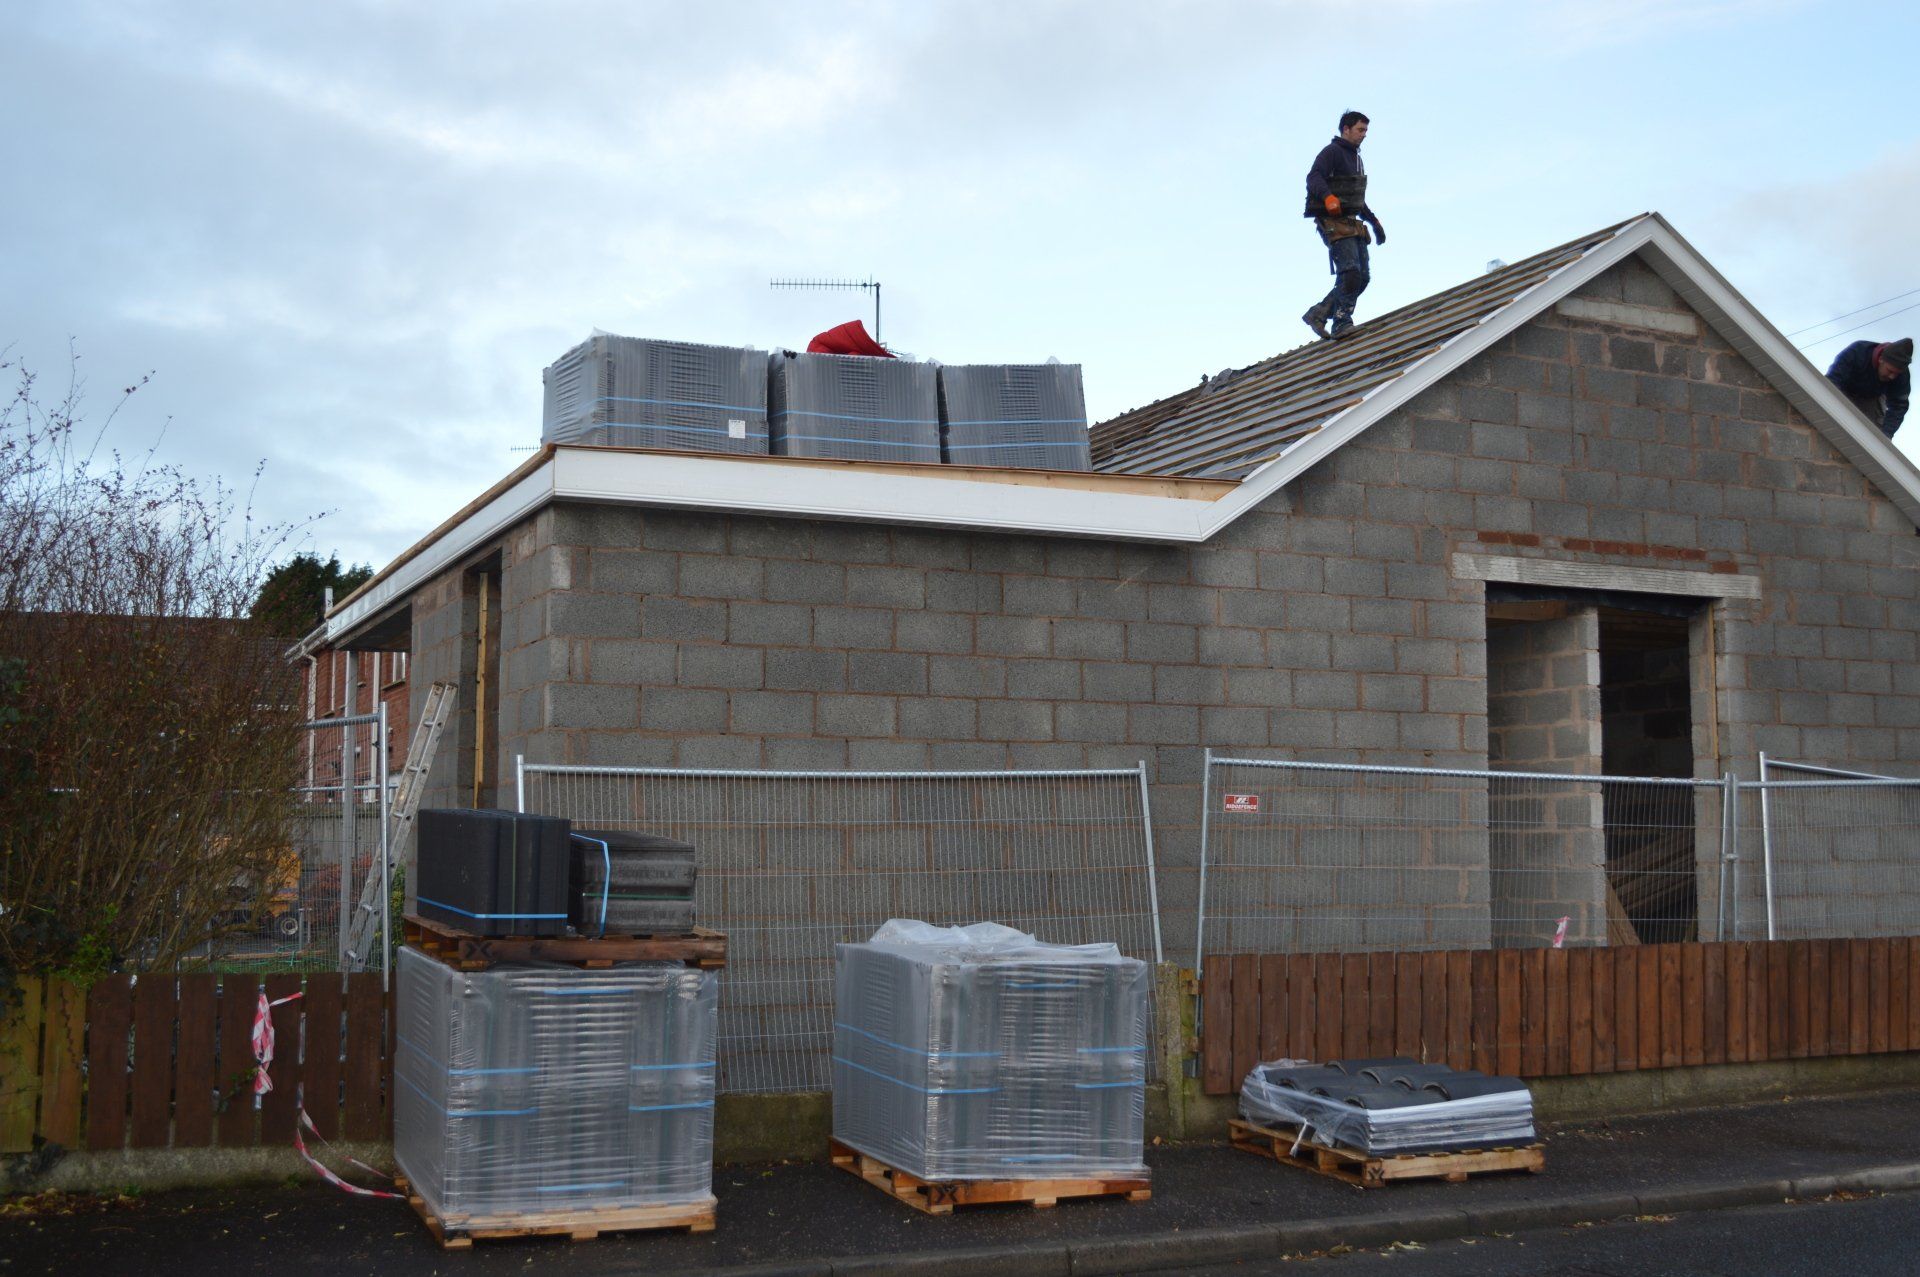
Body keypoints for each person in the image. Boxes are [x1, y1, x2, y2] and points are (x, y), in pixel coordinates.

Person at [1301, 111, 1386, 340]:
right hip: (1333, 221)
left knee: (1363, 277)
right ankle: (1341, 323)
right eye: (1360, 129)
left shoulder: (1356, 159)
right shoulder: (1333, 152)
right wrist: (1328, 197)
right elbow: (1314, 177)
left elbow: (1355, 197)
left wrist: (1374, 221)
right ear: (1346, 129)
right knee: (1350, 271)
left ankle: (1319, 313)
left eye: (1366, 130)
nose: (1364, 135)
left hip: (1351, 221)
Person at [1825, 338, 1911, 439]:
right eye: (1890, 371)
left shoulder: (1902, 376)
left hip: (1873, 399)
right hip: (1843, 390)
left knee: (1874, 436)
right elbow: (1832, 381)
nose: (1892, 376)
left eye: (1896, 374)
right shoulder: (1858, 351)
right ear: (1881, 359)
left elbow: (1899, 406)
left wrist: (1886, 435)